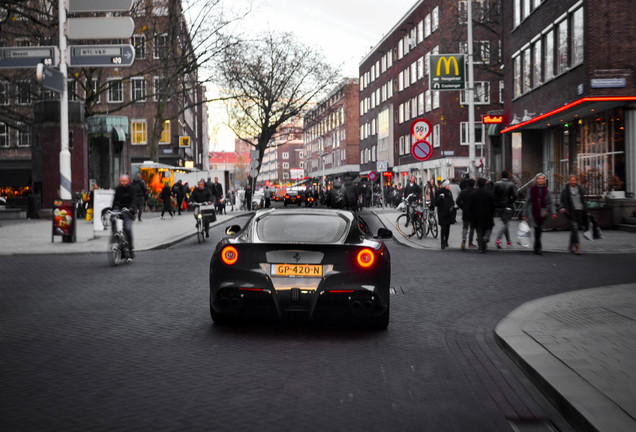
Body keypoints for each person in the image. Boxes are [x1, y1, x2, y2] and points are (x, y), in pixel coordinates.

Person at [523, 173, 557, 255]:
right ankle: (537, 248)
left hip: (542, 213)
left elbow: (551, 203)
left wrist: (553, 212)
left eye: (542, 179)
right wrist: (524, 214)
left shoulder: (547, 190)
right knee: (537, 229)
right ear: (536, 180)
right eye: (539, 178)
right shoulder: (531, 190)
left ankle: (537, 247)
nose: (541, 180)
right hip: (533, 213)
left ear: (544, 180)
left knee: (539, 230)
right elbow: (527, 202)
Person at [560, 173, 589, 255]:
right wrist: (562, 208)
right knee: (575, 228)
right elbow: (562, 201)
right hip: (570, 212)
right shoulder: (565, 190)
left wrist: (586, 211)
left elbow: (583, 201)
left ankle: (570, 246)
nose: (573, 181)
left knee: (574, 230)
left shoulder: (580, 189)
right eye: (571, 180)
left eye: (574, 180)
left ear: (577, 181)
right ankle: (578, 247)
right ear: (569, 181)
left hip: (580, 211)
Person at [112, 174, 137, 259]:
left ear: (128, 181)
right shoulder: (118, 189)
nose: (123, 183)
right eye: (122, 181)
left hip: (129, 211)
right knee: (113, 218)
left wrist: (131, 208)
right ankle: (115, 236)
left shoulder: (132, 189)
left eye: (125, 181)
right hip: (119, 209)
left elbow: (134, 200)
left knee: (128, 229)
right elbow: (115, 200)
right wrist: (112, 209)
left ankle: (130, 249)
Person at [469, 177, 495, 253]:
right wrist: (492, 213)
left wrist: (472, 214)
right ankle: (486, 237)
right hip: (487, 214)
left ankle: (481, 248)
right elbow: (492, 205)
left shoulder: (474, 193)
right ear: (484, 184)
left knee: (479, 231)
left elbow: (471, 206)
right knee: (489, 228)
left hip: (476, 215)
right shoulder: (489, 193)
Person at [493, 170, 518, 248]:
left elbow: (493, 195)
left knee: (505, 224)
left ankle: (509, 242)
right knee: (505, 224)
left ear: (501, 175)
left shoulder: (496, 184)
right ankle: (498, 239)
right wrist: (510, 201)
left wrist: (496, 203)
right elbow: (515, 195)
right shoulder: (511, 184)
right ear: (508, 176)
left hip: (499, 206)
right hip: (507, 206)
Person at [455, 177, 476, 250]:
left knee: (465, 227)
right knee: (472, 228)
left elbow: (457, 201)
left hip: (466, 211)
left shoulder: (463, 191)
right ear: (474, 184)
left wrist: (463, 207)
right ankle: (470, 243)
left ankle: (464, 240)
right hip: (473, 212)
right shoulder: (475, 191)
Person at [435, 179, 455, 249]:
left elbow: (452, 201)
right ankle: (442, 243)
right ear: (444, 186)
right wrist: (440, 198)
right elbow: (435, 203)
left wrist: (452, 206)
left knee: (448, 227)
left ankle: (446, 241)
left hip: (449, 213)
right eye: (448, 185)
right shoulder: (439, 192)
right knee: (443, 227)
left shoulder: (449, 192)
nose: (449, 186)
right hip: (442, 212)